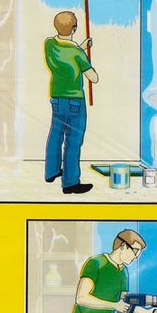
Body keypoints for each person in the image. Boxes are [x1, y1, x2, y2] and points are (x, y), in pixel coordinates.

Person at [44, 11, 98, 194]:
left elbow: (66, 51)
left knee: (56, 134)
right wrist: (82, 53)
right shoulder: (77, 54)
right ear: (74, 29)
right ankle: (70, 183)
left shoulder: (49, 44)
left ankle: (51, 171)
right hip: (75, 101)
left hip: (57, 99)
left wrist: (81, 47)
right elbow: (94, 78)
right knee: (73, 141)